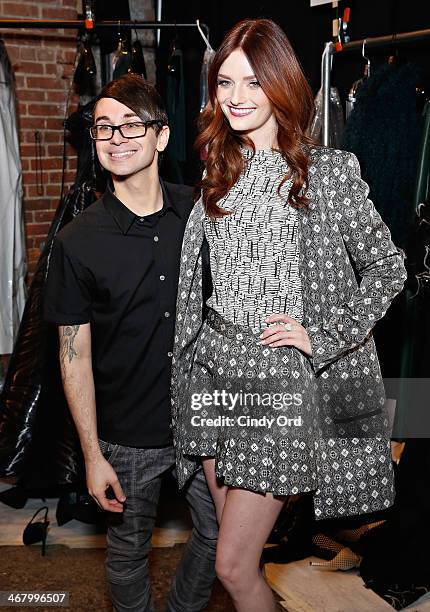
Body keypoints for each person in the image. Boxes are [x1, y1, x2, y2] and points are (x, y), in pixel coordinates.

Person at [171, 18, 407, 612]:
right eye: (225, 83)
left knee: (232, 565)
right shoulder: (215, 174)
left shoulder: (327, 173)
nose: (236, 98)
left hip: (277, 382)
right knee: (227, 547)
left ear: (281, 85)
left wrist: (321, 335)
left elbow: (388, 269)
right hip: (214, 372)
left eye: (252, 82)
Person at [43, 74, 218, 612]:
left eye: (130, 125)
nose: (117, 138)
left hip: (203, 422)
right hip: (127, 436)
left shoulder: (203, 215)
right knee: (127, 553)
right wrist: (92, 455)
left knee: (220, 539)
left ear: (161, 136)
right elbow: (73, 357)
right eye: (103, 129)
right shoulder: (77, 241)